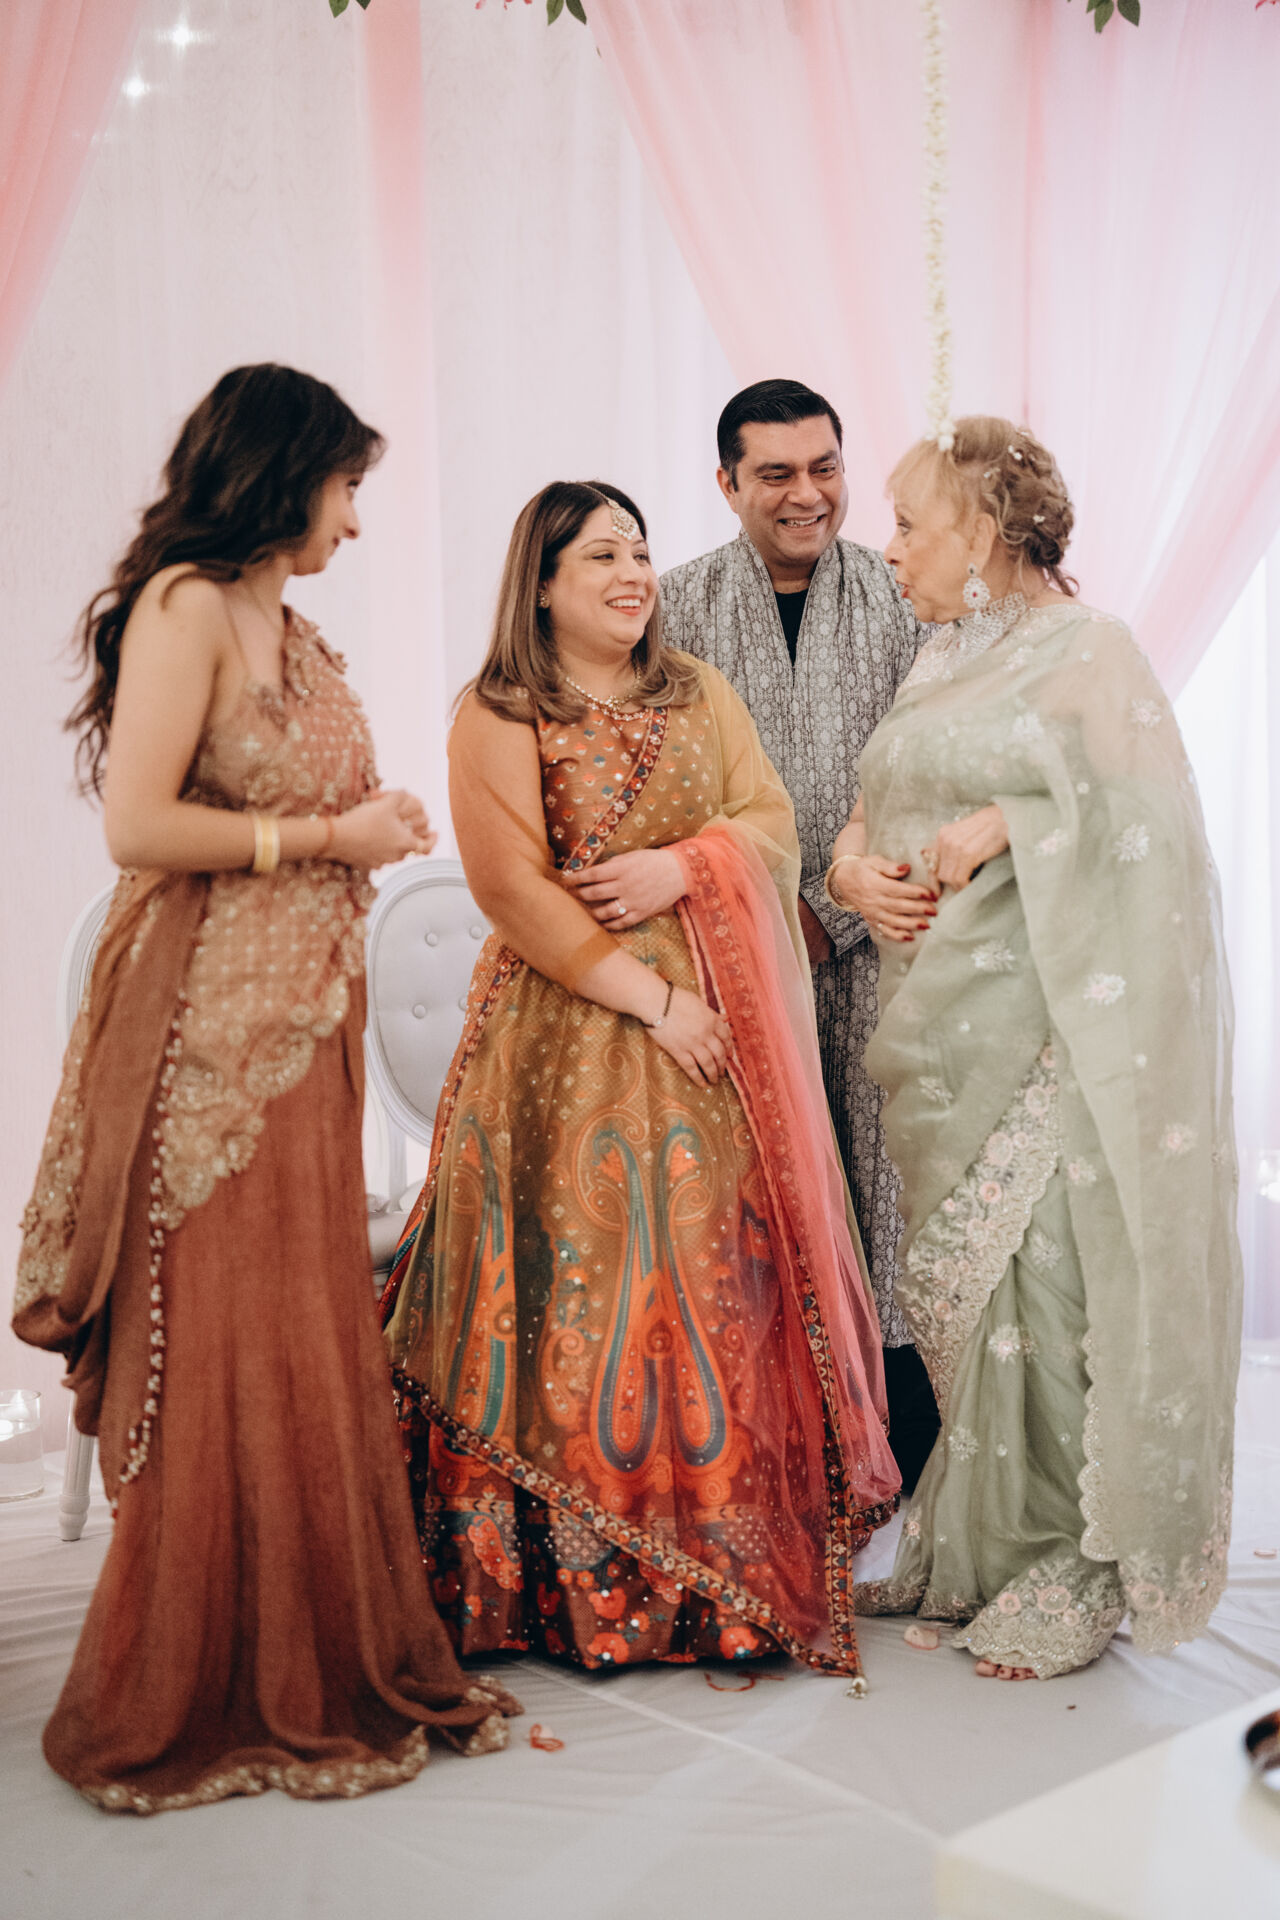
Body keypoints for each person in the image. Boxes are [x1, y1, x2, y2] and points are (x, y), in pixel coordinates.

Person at [13, 364, 519, 1813]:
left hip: (302, 1023)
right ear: (283, 472)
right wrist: (326, 839)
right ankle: (204, 1671)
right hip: (205, 1035)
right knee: (224, 1324)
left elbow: (284, 801)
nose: (355, 520)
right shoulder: (184, 605)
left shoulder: (289, 623)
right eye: (347, 487)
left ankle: (315, 1639)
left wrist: (366, 828)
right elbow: (137, 824)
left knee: (300, 1321)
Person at [380, 480, 900, 1686]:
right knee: (572, 1285)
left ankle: (711, 1570)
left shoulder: (693, 690)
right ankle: (559, 1580)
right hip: (562, 1044)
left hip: (710, 1036)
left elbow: (765, 820)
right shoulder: (498, 711)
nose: (631, 575)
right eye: (600, 557)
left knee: (714, 1275)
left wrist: (684, 864)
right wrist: (651, 1002)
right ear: (541, 585)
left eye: (639, 552)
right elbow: (511, 889)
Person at [829, 415, 1242, 1679]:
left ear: (980, 533)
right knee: (956, 1292)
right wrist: (848, 871)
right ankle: (978, 1548)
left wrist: (1008, 823)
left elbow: (1150, 822)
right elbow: (873, 805)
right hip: (935, 1026)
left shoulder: (1087, 647)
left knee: (1042, 1285)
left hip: (1048, 1035)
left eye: (908, 525)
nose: (888, 548)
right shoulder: (939, 655)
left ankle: (1073, 1562)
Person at [660, 379, 940, 1490]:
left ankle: (903, 1454)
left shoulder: (904, 596)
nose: (805, 494)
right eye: (774, 473)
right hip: (722, 963)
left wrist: (826, 918)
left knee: (889, 1189)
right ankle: (771, 1460)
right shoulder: (672, 609)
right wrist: (750, 932)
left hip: (887, 946)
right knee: (750, 1202)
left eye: (824, 467)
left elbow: (936, 773)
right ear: (726, 482)